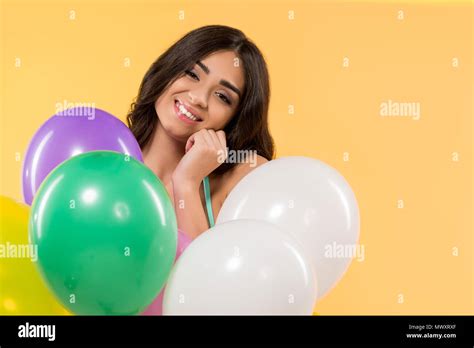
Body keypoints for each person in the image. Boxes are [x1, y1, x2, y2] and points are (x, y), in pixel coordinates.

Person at [127, 25, 274, 239]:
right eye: (192, 74)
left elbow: (206, 271)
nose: (199, 98)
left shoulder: (245, 176)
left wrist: (187, 182)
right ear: (168, 69)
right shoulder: (105, 155)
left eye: (223, 96)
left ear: (236, 117)